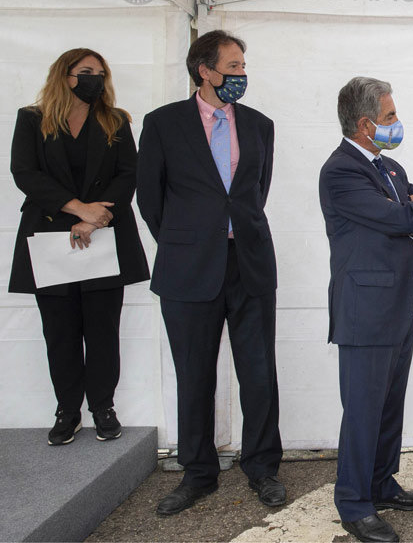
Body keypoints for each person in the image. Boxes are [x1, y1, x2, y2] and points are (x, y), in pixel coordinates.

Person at [136, 30, 285, 516]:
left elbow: (255, 194)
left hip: (250, 265)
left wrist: (229, 233)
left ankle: (262, 467)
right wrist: (187, 240)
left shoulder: (260, 125)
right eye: (235, 66)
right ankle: (197, 473)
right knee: (194, 376)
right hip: (187, 269)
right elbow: (150, 199)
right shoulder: (163, 124)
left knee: (259, 375)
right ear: (205, 70)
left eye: (244, 66)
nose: (242, 74)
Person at [319, 76, 413, 543]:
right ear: (366, 123)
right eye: (390, 117)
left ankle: (381, 484)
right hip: (365, 311)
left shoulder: (389, 168)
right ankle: (354, 503)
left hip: (398, 305)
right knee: (364, 411)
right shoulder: (341, 171)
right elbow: (402, 217)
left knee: (390, 407)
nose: (397, 123)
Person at [9, 48, 150, 447]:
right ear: (64, 74)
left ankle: (102, 407)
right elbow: (25, 173)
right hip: (49, 238)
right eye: (86, 71)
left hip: (103, 234)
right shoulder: (32, 119)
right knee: (60, 331)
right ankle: (67, 411)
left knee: (103, 329)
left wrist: (93, 218)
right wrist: (77, 209)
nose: (95, 79)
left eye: (100, 73)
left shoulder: (116, 120)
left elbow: (129, 174)